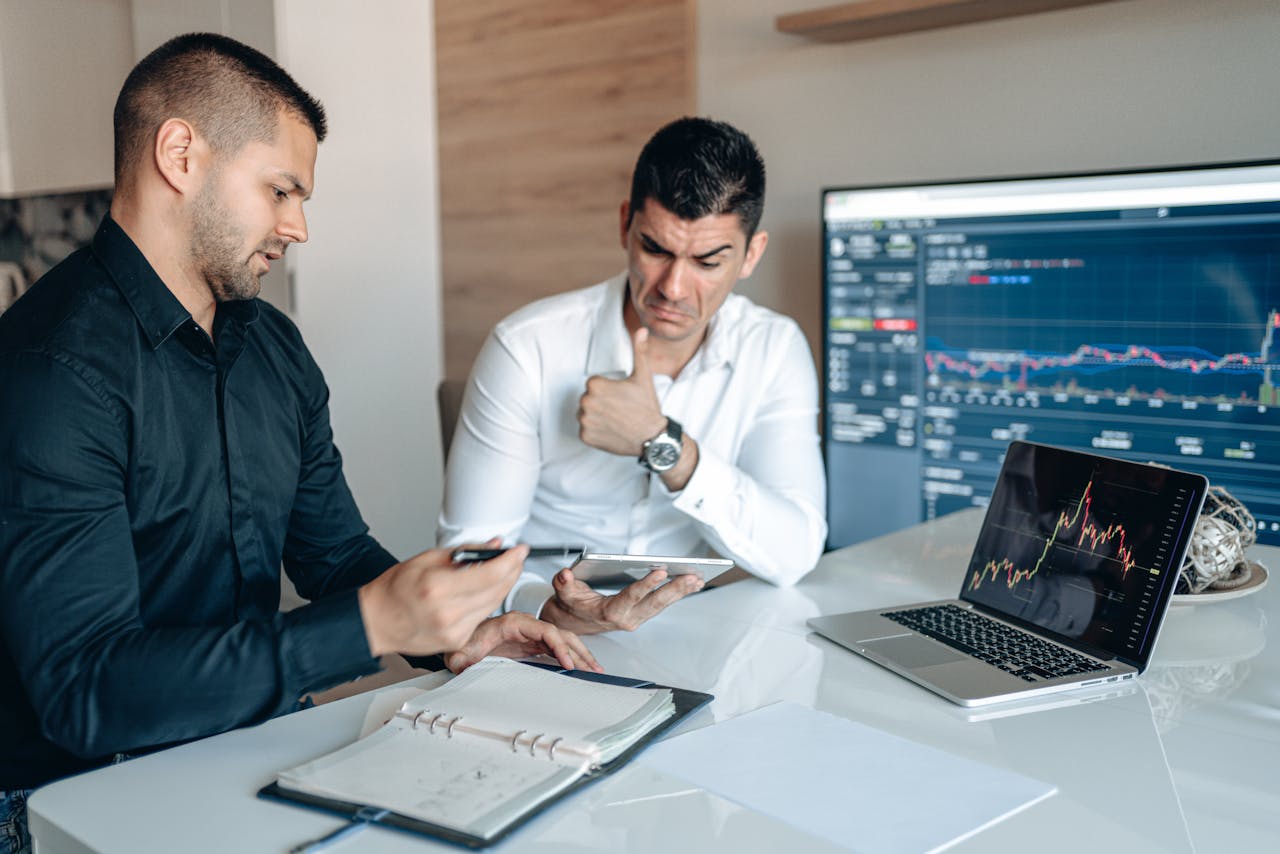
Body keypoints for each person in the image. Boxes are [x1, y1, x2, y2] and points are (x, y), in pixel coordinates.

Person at [0, 33, 595, 853]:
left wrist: (452, 633)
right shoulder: (52, 370)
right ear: (180, 154)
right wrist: (369, 625)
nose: (299, 227)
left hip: (247, 748)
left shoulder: (274, 350)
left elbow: (333, 551)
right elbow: (87, 692)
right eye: (281, 190)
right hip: (77, 798)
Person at [439, 117, 827, 635]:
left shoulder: (774, 349)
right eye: (656, 250)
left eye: (708, 261)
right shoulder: (527, 347)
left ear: (751, 254)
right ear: (626, 224)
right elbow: (466, 557)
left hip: (690, 637)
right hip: (538, 636)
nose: (673, 288)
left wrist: (663, 444)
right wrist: (547, 608)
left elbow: (795, 552)